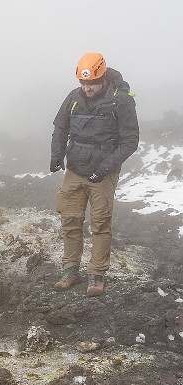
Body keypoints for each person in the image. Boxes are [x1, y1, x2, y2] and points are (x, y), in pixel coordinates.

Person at [50, 52, 139, 297]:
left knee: (100, 223)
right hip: (75, 170)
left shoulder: (121, 101)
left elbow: (130, 141)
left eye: (91, 83)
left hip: (103, 173)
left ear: (102, 77)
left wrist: (105, 168)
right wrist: (56, 155)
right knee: (70, 219)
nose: (86, 88)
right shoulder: (73, 97)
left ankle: (97, 273)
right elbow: (61, 127)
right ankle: (70, 269)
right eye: (83, 83)